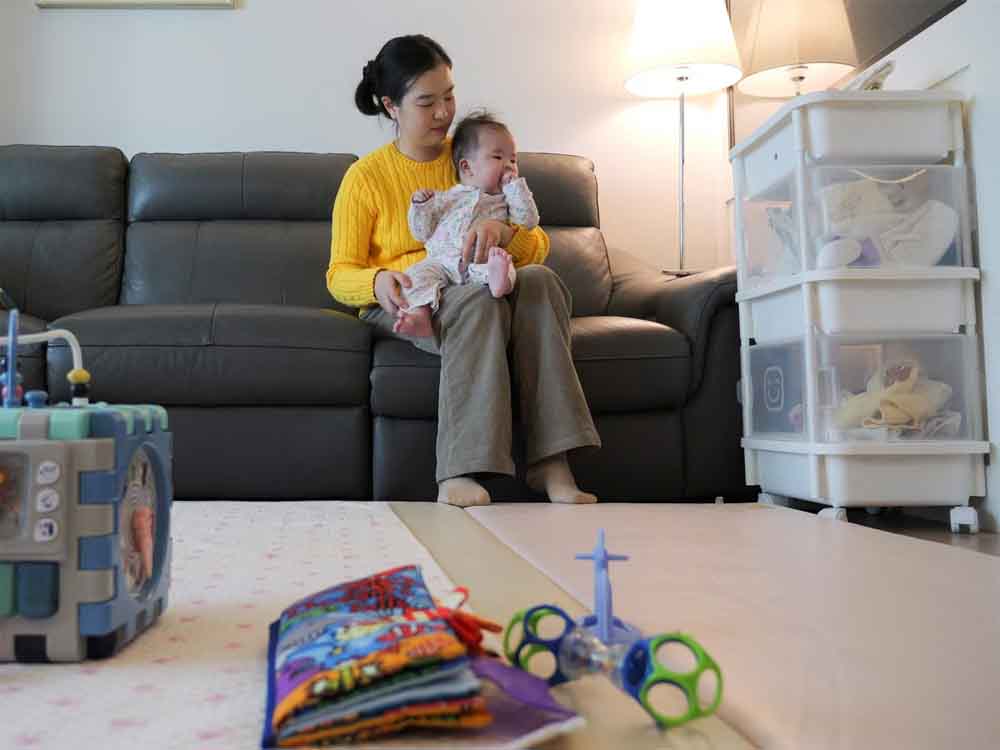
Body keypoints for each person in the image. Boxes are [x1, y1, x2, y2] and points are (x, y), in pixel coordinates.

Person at [327, 34, 600, 507]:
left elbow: (538, 243)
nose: (443, 113)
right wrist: (377, 280)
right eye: (426, 102)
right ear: (391, 106)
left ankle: (552, 462)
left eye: (449, 96)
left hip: (478, 278)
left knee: (541, 280)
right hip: (413, 294)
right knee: (478, 303)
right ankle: (458, 472)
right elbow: (339, 273)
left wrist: (502, 230)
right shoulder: (365, 178)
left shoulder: (475, 155)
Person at [394, 110, 538, 339]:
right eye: (498, 157)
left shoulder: (506, 200)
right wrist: (421, 207)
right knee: (414, 277)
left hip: (479, 262)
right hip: (441, 263)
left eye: (513, 160)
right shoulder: (449, 197)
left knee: (502, 264)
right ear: (467, 167)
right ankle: (420, 315)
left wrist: (515, 187)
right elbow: (421, 233)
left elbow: (528, 220)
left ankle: (500, 283)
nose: (509, 166)